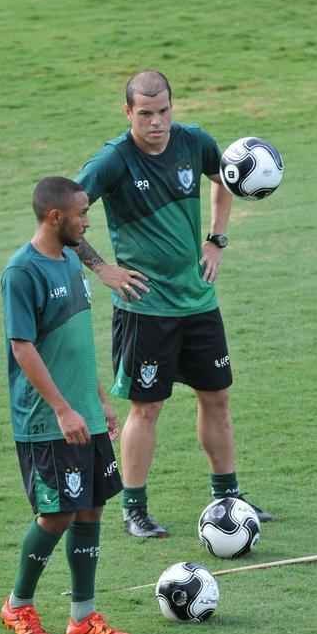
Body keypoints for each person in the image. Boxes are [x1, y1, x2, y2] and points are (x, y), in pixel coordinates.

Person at [74, 69, 273, 539]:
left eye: (163, 111)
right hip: (146, 308)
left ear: (172, 107)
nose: (156, 122)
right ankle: (134, 508)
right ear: (128, 113)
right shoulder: (113, 161)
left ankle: (227, 495)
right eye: (145, 114)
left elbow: (223, 177)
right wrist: (103, 268)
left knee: (217, 397)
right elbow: (66, 212)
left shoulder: (194, 142)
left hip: (198, 300)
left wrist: (216, 238)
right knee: (147, 407)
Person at [0, 175, 132, 634]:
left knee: (91, 508)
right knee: (56, 514)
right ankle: (18, 606)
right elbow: (24, 348)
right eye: (81, 214)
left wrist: (96, 400)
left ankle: (83, 616)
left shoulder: (70, 263)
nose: (86, 221)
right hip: (47, 418)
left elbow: (71, 344)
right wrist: (61, 409)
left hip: (84, 413)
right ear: (55, 216)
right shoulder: (23, 271)